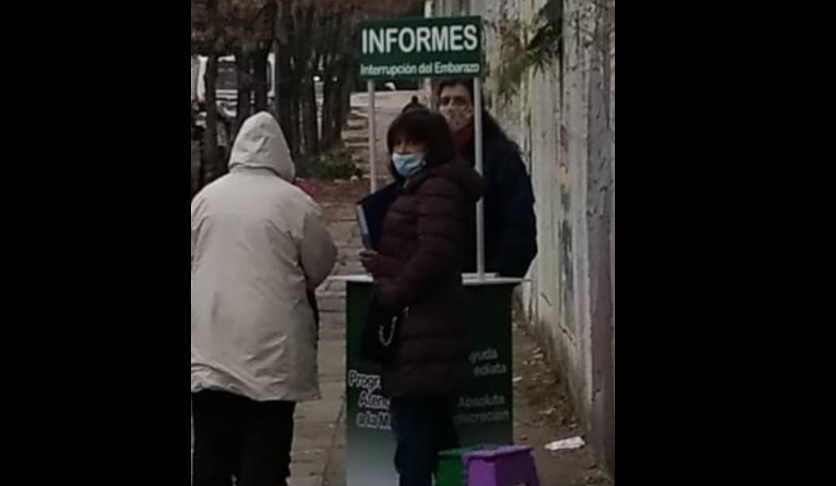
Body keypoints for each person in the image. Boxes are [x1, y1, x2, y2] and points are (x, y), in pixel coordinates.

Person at [191, 112, 337, 486]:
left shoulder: (205, 199)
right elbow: (321, 262)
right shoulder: (295, 204)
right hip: (272, 352)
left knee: (211, 450)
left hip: (211, 344)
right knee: (265, 453)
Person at [360, 109, 484, 486]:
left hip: (423, 333)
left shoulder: (436, 187)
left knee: (414, 443)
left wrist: (393, 291)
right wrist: (383, 264)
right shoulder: (421, 186)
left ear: (434, 146)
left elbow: (434, 254)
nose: (402, 151)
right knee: (438, 440)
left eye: (413, 143)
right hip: (426, 334)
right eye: (397, 143)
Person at [436, 79, 538, 278]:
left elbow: (520, 225)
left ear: (475, 108)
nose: (451, 109)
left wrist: (499, 275)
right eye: (445, 101)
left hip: (485, 279)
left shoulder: (500, 156)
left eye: (460, 101)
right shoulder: (433, 156)